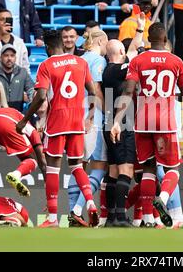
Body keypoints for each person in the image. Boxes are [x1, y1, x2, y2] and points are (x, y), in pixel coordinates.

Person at [16, 29, 99, 228]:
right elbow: (92, 91)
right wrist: (90, 116)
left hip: (57, 123)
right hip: (77, 122)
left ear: (47, 47)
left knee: (53, 168)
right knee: (77, 166)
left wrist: (24, 120)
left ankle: (52, 218)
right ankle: (90, 202)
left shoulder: (47, 65)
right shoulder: (81, 62)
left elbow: (41, 96)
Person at [110, 22, 183, 227]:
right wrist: (172, 93)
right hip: (165, 122)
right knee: (173, 168)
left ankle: (146, 219)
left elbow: (127, 92)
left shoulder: (138, 60)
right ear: (165, 40)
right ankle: (162, 199)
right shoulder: (176, 61)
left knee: (148, 169)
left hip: (142, 122)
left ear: (148, 38)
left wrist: (117, 121)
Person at [100, 13, 145, 227]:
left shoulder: (111, 70)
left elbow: (133, 51)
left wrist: (140, 30)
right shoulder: (116, 71)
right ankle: (119, 216)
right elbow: (137, 57)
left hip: (108, 122)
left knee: (113, 170)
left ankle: (110, 217)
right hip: (121, 123)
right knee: (125, 170)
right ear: (119, 52)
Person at [67, 29, 108, 224]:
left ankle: (73, 212)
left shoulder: (78, 60)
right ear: (100, 41)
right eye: (106, 43)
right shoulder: (98, 61)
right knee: (99, 168)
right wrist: (109, 112)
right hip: (93, 120)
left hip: (74, 119)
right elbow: (96, 90)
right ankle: (77, 209)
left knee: (77, 167)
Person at [0, 44, 34, 112]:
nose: (9, 58)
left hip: (17, 112)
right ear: (0, 57)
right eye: (6, 55)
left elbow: (31, 89)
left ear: (15, 58)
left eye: (12, 55)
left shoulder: (22, 72)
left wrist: (32, 100)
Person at [0, 9, 30, 75]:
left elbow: (25, 66)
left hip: (15, 80)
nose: (5, 22)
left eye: (8, 19)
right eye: (2, 19)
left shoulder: (19, 42)